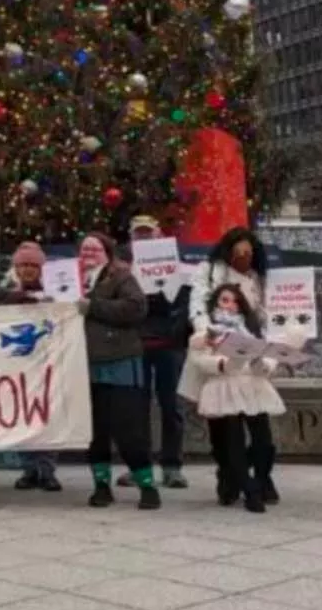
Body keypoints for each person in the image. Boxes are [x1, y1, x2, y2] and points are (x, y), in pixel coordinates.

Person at [179, 284, 289, 513]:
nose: (230, 305)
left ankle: (260, 478)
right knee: (232, 442)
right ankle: (249, 489)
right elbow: (198, 358)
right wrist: (221, 364)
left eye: (235, 301)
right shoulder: (207, 329)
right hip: (223, 384)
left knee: (264, 441)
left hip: (252, 385)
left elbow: (269, 355)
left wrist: (264, 365)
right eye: (225, 300)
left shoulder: (252, 328)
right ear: (216, 303)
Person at [188, 226, 277, 505]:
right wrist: (210, 336)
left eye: (248, 252)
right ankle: (229, 475)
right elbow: (198, 304)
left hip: (250, 362)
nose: (243, 256)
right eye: (238, 251)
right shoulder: (209, 270)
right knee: (223, 431)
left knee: (259, 429)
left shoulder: (256, 278)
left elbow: (263, 317)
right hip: (218, 357)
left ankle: (259, 477)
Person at [77, 233, 157, 509]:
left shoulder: (121, 278)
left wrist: (94, 306)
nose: (88, 253)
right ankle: (101, 485)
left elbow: (136, 308)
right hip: (84, 364)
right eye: (84, 248)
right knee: (95, 431)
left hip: (119, 360)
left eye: (94, 248)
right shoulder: (69, 280)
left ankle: (147, 486)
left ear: (107, 253)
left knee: (128, 428)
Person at [117, 215, 191, 490]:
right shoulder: (124, 271)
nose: (145, 238)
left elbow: (186, 304)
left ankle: (172, 466)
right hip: (136, 345)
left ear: (159, 235)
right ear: (132, 238)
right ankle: (140, 466)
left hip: (169, 346)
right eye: (139, 234)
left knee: (172, 407)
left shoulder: (178, 267)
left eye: (149, 233)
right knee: (137, 409)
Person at [0, 241, 61, 492]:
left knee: (47, 414)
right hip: (17, 362)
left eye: (33, 265)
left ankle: (47, 469)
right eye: (23, 265)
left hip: (48, 361)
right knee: (23, 413)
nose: (28, 270)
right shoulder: (5, 290)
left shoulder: (55, 291)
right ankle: (28, 468)